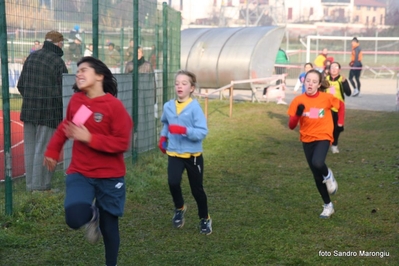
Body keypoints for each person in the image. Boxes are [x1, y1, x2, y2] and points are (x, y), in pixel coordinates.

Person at [43, 57, 133, 266]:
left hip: (110, 176)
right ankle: (93, 216)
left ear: (99, 75)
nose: (79, 74)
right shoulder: (79, 102)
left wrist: (90, 138)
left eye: (84, 70)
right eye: (77, 71)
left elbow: (122, 143)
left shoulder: (113, 107)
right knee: (74, 219)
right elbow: (69, 126)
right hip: (81, 172)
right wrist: (53, 150)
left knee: (110, 228)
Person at [158, 70, 212, 235]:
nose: (179, 86)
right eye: (177, 83)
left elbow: (202, 132)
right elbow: (166, 124)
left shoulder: (195, 108)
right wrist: (163, 137)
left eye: (184, 83)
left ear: (192, 88)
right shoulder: (168, 106)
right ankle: (179, 207)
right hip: (174, 154)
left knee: (197, 190)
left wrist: (184, 130)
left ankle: (205, 218)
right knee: (173, 183)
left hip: (193, 157)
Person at [17, 30, 68, 192]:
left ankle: (30, 185)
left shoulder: (31, 57)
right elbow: (63, 90)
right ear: (58, 43)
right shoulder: (57, 62)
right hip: (49, 113)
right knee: (44, 149)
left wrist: (31, 99)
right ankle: (41, 187)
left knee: (30, 150)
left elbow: (21, 85)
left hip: (29, 110)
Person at [287, 69, 343, 218]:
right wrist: (298, 114)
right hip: (307, 139)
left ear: (319, 85)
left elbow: (341, 105)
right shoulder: (298, 101)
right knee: (317, 176)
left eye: (314, 81)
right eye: (308, 81)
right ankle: (328, 206)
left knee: (318, 163)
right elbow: (291, 125)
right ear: (304, 82)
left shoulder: (326, 98)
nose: (310, 84)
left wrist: (340, 121)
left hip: (323, 136)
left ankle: (329, 175)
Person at [325, 62, 352, 154]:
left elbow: (348, 93)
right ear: (329, 69)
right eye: (332, 67)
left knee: (338, 127)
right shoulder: (325, 79)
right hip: (327, 106)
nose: (334, 69)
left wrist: (344, 83)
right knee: (326, 126)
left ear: (339, 69)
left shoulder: (342, 79)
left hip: (338, 106)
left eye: (336, 67)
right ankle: (324, 143)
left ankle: (334, 145)